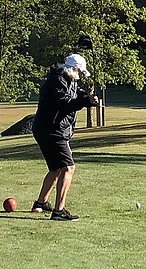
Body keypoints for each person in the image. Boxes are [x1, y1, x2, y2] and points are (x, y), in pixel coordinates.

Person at [30, 35, 98, 221]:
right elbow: (66, 103)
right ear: (73, 69)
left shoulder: (69, 80)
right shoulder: (57, 80)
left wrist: (89, 100)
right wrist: (84, 101)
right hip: (52, 131)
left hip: (48, 129)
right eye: (80, 72)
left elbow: (79, 95)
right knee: (68, 167)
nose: (81, 76)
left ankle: (41, 203)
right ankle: (59, 211)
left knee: (56, 169)